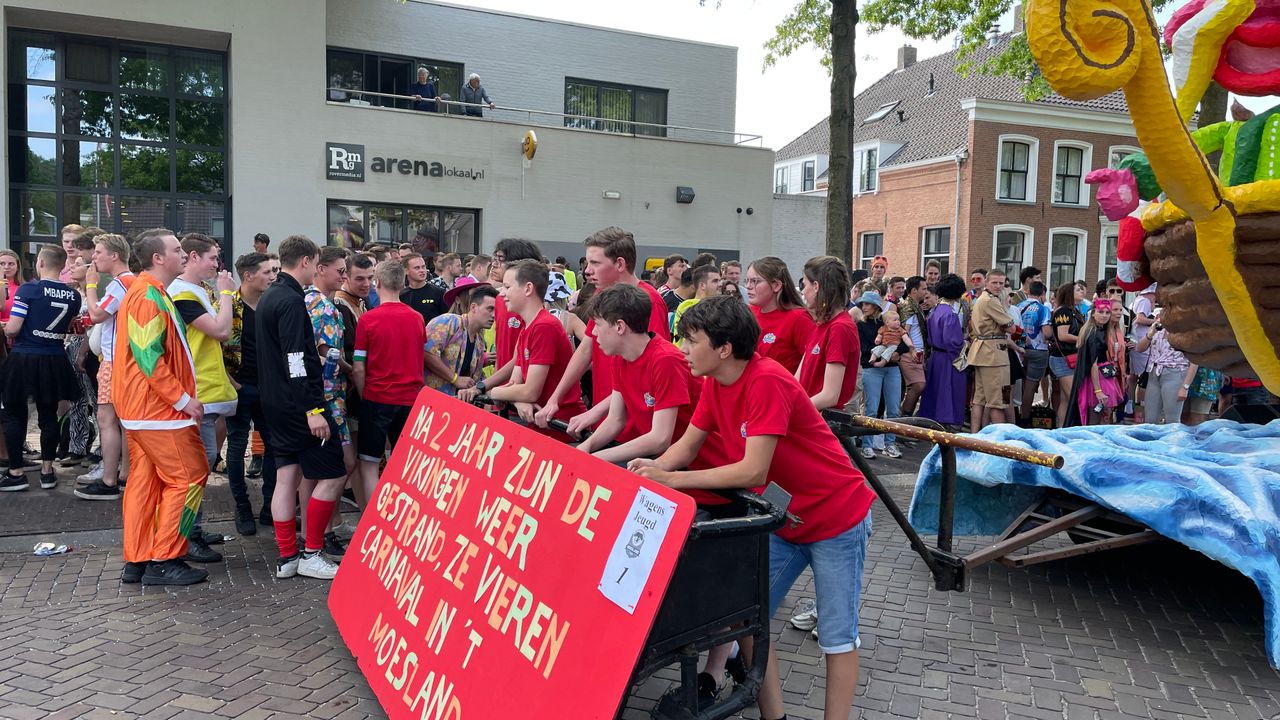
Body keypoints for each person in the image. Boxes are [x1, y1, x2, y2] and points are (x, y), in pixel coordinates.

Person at [630, 295, 874, 720]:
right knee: (744, 617)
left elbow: (751, 469)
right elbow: (686, 446)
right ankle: (773, 715)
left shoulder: (767, 380)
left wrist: (672, 479)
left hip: (836, 516)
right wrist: (651, 468)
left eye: (691, 340)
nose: (683, 349)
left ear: (724, 348)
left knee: (837, 636)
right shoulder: (714, 382)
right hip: (786, 518)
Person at [111, 229, 210, 585]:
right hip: (159, 412)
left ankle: (139, 559)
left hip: (145, 410)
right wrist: (183, 400)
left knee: (145, 482)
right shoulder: (148, 297)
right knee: (189, 477)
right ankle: (166, 557)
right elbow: (149, 358)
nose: (184, 254)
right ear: (158, 258)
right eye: (177, 249)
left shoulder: (149, 293)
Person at [257, 235, 346, 581]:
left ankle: (288, 557)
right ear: (307, 261)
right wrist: (312, 409)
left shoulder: (270, 296)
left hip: (275, 404)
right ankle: (310, 552)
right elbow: (296, 358)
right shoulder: (291, 301)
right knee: (334, 473)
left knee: (286, 478)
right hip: (298, 404)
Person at [535, 228, 670, 431]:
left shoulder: (649, 301)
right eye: (588, 263)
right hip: (605, 421)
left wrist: (595, 411)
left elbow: (652, 369)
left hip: (634, 429)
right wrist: (555, 398)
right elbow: (585, 349)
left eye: (595, 263)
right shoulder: (603, 294)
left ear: (620, 264)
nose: (587, 270)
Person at [571, 284, 701, 464]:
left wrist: (596, 457)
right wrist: (586, 447)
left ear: (619, 326)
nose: (593, 332)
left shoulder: (665, 360)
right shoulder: (620, 356)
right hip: (663, 462)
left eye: (598, 325)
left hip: (694, 465)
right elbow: (615, 420)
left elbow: (660, 439)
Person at [167, 234, 238, 563]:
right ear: (194, 257)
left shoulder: (194, 290)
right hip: (196, 394)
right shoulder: (182, 293)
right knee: (195, 469)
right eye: (213, 258)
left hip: (206, 392)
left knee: (202, 466)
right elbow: (221, 331)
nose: (217, 264)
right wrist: (226, 292)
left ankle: (192, 529)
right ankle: (185, 535)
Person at [0, 245, 82, 492]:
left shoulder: (29, 289)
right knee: (48, 415)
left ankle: (16, 473)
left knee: (14, 412)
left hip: (25, 356)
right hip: (54, 357)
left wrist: (3, 328)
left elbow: (13, 328)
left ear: (41, 263)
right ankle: (48, 471)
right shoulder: (74, 295)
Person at [352, 261, 426, 505]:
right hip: (410, 400)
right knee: (404, 464)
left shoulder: (368, 320)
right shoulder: (417, 318)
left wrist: (365, 396)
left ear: (378, 283)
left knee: (369, 464)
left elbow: (359, 367)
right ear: (403, 283)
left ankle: (373, 522)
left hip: (377, 398)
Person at [74, 234, 135, 499]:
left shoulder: (120, 284)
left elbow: (97, 314)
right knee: (122, 421)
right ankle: (124, 475)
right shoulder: (129, 282)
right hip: (123, 359)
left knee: (107, 419)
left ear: (115, 255)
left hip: (115, 360)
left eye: (98, 252)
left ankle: (109, 479)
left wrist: (90, 285)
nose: (93, 257)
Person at [222, 252, 279, 535]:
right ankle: (242, 505)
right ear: (248, 276)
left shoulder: (273, 304)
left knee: (273, 446)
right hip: (240, 387)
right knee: (236, 447)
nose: (273, 276)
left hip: (269, 389)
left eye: (274, 271)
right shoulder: (228, 305)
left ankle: (270, 506)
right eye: (267, 272)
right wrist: (231, 381)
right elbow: (213, 348)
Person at [798, 257, 860, 413]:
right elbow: (797, 380)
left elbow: (830, 395)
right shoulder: (821, 324)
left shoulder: (840, 328)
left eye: (804, 284)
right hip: (809, 416)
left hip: (822, 423)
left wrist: (792, 411)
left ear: (816, 286)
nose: (803, 291)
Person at [852, 291, 905, 458]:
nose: (864, 307)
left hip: (891, 369)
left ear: (876, 306)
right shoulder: (860, 325)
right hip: (871, 370)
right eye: (862, 304)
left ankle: (890, 444)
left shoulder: (889, 322)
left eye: (867, 304)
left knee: (894, 409)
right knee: (871, 409)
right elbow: (865, 350)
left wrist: (897, 353)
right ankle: (867, 445)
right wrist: (889, 354)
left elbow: (903, 343)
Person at [425, 279, 497, 396]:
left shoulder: (479, 340)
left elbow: (475, 378)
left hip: (454, 405)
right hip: (431, 401)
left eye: (496, 310)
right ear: (473, 307)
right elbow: (427, 352)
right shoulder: (448, 321)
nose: (494, 315)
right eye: (490, 309)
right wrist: (455, 378)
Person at [746, 256, 814, 375]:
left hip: (781, 390)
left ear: (776, 285)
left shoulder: (798, 318)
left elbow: (813, 364)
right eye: (747, 280)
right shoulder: (748, 312)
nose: (748, 286)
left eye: (755, 281)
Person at [1066, 299, 1126, 426]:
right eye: (1101, 312)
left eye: (1107, 312)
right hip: (1098, 380)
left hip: (1102, 377)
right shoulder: (1094, 333)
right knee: (1095, 420)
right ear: (1093, 313)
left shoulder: (1097, 330)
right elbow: (1092, 363)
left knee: (1101, 418)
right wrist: (1098, 391)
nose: (1104, 315)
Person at [967, 268, 1013, 431]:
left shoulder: (983, 298)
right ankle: (1000, 442)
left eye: (1001, 283)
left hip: (983, 352)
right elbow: (1011, 327)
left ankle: (975, 436)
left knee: (979, 398)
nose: (998, 286)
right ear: (986, 282)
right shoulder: (991, 301)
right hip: (994, 354)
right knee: (999, 400)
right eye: (994, 282)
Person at [918, 274, 967, 428]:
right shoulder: (949, 314)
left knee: (935, 390)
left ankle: (932, 421)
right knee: (949, 391)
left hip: (935, 356)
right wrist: (964, 343)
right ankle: (948, 422)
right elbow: (952, 341)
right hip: (948, 357)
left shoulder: (936, 310)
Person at [490, 238, 544, 369]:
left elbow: (520, 357)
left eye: (501, 259)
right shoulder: (500, 299)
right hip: (502, 381)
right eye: (495, 258)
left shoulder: (530, 302)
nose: (494, 264)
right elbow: (500, 345)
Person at [1134, 319, 1195, 424]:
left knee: (1172, 419)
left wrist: (1185, 386)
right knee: (1150, 419)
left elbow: (1195, 361)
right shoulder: (1158, 327)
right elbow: (1139, 348)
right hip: (1154, 373)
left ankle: (1173, 440)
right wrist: (1150, 333)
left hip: (1175, 372)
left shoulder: (1186, 329)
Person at [1013, 281, 1053, 424]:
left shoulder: (1018, 306)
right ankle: (1025, 417)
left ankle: (1015, 414)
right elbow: (1047, 333)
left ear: (1028, 292)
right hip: (1038, 349)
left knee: (1019, 384)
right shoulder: (1043, 309)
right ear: (1043, 293)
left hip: (1019, 349)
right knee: (1030, 386)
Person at [1048, 283, 1086, 428]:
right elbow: (1063, 335)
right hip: (1063, 358)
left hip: (1069, 357)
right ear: (1069, 294)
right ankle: (1072, 427)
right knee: (1073, 398)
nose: (1082, 292)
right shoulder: (1063, 311)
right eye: (1078, 290)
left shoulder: (1073, 311)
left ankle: (1061, 427)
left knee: (1065, 399)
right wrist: (1083, 339)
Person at [898, 276, 929, 416]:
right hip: (911, 353)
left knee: (915, 386)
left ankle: (905, 416)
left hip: (917, 352)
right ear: (914, 290)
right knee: (918, 384)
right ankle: (905, 417)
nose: (926, 292)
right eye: (924, 289)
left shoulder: (915, 306)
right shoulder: (908, 308)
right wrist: (911, 350)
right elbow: (905, 331)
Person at [1127, 284, 1157, 422]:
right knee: (1144, 378)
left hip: (1135, 341)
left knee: (1134, 377)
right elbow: (1140, 319)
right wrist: (1156, 322)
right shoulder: (1144, 301)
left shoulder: (1137, 300)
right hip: (1141, 343)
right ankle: (1140, 409)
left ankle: (1130, 406)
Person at [671, 265, 721, 345]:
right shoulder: (687, 306)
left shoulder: (718, 305)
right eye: (715, 281)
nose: (720, 284)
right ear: (702, 285)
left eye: (719, 280)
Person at [398, 252, 446, 326]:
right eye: (417, 268)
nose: (422, 270)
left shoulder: (439, 293)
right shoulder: (401, 295)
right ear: (406, 271)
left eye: (423, 267)